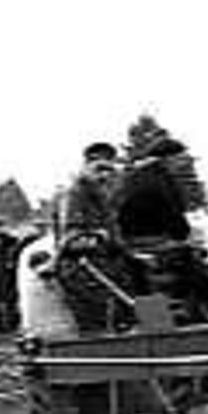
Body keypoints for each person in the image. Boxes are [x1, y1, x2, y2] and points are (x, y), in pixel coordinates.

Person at [55, 141, 130, 333]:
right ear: (87, 166)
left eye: (109, 170)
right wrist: (99, 236)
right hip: (84, 266)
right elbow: (71, 236)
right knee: (97, 319)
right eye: (100, 169)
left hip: (107, 263)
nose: (105, 175)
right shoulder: (75, 194)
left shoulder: (106, 195)